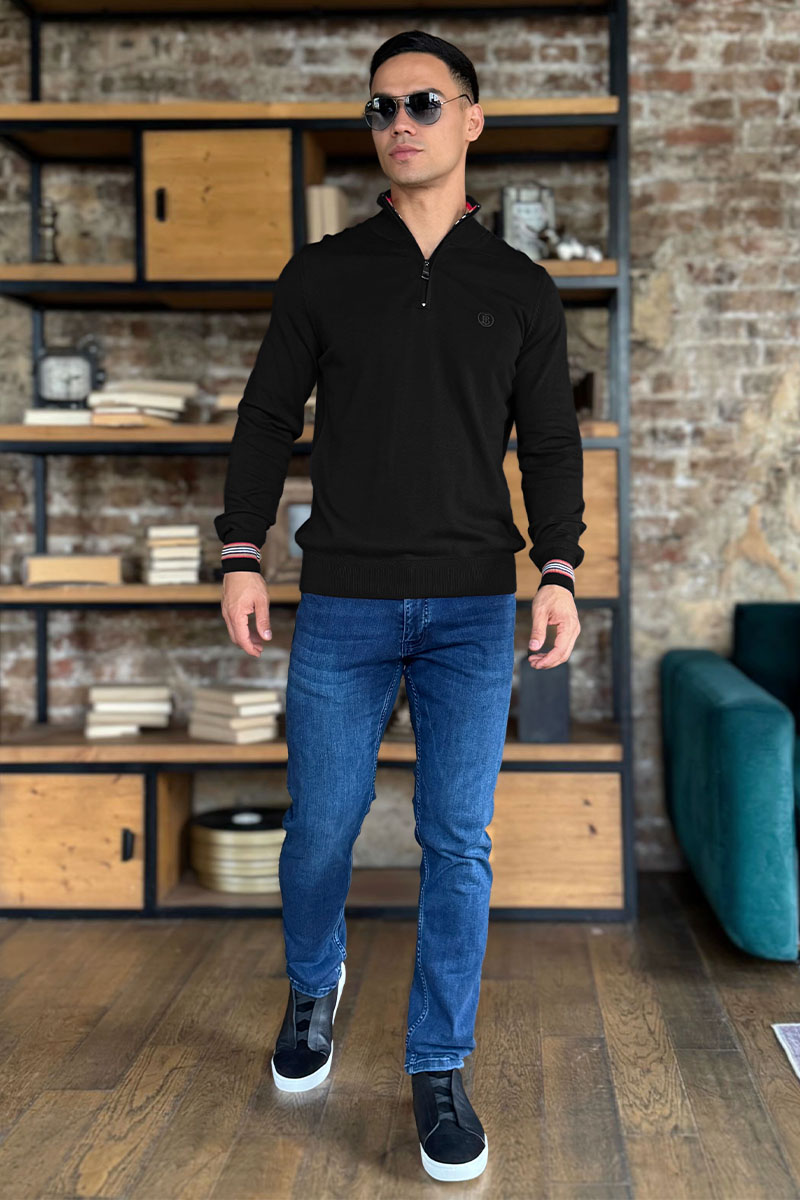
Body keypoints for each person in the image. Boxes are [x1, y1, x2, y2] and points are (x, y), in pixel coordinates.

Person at [215, 29, 586, 1184]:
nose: (400, 122)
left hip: (473, 607)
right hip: (344, 603)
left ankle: (437, 1065)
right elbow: (265, 419)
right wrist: (240, 552)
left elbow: (550, 445)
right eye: (381, 106)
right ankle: (311, 986)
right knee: (320, 829)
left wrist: (559, 571)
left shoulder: (518, 287)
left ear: (471, 119)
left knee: (455, 841)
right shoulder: (323, 274)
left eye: (424, 102)